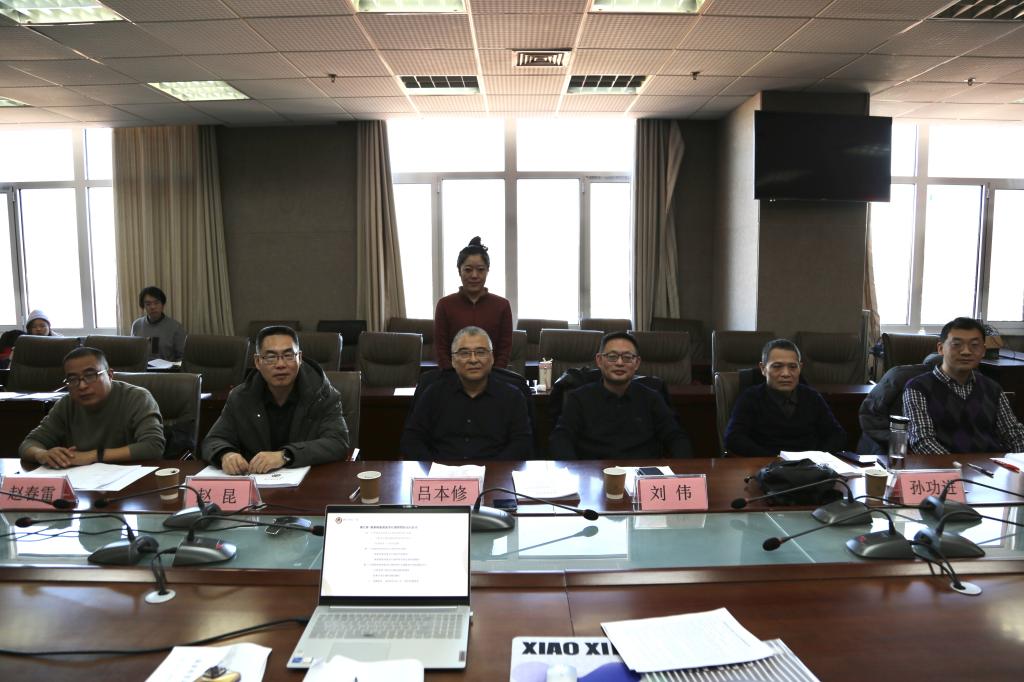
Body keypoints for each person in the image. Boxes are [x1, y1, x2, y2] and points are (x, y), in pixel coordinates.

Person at [201, 325, 349, 474]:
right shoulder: (240, 397)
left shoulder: (322, 395)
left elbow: (338, 443)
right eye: (271, 357)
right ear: (257, 362)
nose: (280, 364)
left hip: (309, 481)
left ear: (299, 358)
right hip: (256, 482)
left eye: (288, 355)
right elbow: (213, 440)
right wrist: (225, 454)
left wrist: (286, 456)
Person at [549, 331, 692, 459]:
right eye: (612, 357)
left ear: (637, 363)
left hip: (640, 474)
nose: (619, 363)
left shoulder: (651, 398)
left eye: (627, 357)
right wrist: (575, 471)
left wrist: (681, 471)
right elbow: (561, 438)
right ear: (599, 360)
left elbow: (676, 436)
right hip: (593, 473)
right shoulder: (579, 398)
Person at [18, 347, 165, 468]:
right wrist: (42, 454)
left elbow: (153, 446)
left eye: (90, 375)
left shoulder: (137, 397)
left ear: (110, 375)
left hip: (131, 480)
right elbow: (28, 444)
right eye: (73, 379)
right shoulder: (66, 404)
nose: (82, 386)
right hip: (81, 483)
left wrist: (93, 456)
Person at [402, 326, 532, 459]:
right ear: (453, 360)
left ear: (492, 358)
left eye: (481, 352)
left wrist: (495, 468)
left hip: (495, 469)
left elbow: (522, 442)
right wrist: (433, 467)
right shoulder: (433, 394)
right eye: (464, 353)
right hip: (442, 469)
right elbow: (412, 439)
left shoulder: (512, 397)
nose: (473, 360)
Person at [903, 317, 1024, 454]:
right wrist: (957, 466)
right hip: (944, 465)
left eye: (974, 345)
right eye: (956, 344)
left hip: (991, 465)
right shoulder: (918, 388)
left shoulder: (993, 388)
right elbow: (922, 440)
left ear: (983, 350)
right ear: (941, 348)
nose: (966, 351)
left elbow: (1014, 434)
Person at [724, 338, 846, 456]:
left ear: (800, 368)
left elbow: (837, 434)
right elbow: (733, 438)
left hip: (809, 466)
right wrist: (776, 460)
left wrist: (818, 457)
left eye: (793, 367)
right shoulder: (751, 397)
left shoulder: (812, 397)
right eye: (777, 366)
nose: (786, 374)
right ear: (763, 369)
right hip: (766, 465)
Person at [433, 237, 513, 370]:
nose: (474, 275)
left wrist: (494, 377)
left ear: (487, 270)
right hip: (453, 378)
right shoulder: (444, 305)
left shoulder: (502, 306)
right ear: (459, 271)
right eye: (468, 270)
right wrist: (451, 377)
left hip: (493, 377)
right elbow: (441, 349)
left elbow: (504, 350)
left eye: (480, 269)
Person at [130, 286, 186, 361]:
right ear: (143, 307)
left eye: (156, 303)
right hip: (143, 368)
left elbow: (182, 357)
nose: (153, 307)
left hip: (168, 368)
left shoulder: (176, 327)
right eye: (148, 304)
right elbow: (133, 352)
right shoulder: (136, 325)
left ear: (163, 305)